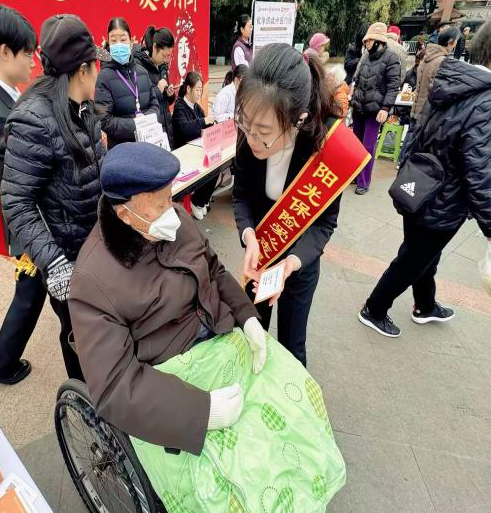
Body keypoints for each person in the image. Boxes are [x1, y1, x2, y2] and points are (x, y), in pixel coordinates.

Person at [68, 142, 346, 511]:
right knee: (239, 478)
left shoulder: (176, 223)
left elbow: (214, 271)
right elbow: (115, 387)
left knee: (299, 400)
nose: (172, 210)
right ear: (124, 213)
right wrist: (202, 411)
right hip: (170, 381)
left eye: (171, 197)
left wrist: (248, 319)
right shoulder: (92, 281)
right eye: (160, 203)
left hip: (221, 336)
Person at [359, 21, 491, 337]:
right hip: (444, 197)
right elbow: (481, 171)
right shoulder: (485, 99)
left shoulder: (453, 79)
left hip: (419, 182)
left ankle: (425, 304)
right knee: (413, 258)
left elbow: (419, 129)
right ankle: (374, 309)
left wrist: (405, 167)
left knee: (423, 254)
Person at [1, 14, 107, 379]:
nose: (99, 72)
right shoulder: (34, 120)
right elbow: (16, 203)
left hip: (95, 244)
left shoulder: (81, 106)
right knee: (77, 336)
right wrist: (55, 263)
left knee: (103, 330)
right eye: (96, 65)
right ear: (83, 70)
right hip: (67, 256)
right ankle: (83, 399)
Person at [233, 44, 343, 367]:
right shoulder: (251, 128)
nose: (252, 139)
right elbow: (241, 197)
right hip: (262, 254)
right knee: (252, 335)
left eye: (264, 133)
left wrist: (291, 264)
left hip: (299, 261)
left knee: (292, 347)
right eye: (246, 126)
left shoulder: (326, 145)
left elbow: (324, 223)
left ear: (298, 120)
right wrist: (249, 236)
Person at [0, 4, 42, 386]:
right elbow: (20, 176)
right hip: (25, 221)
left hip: (28, 218)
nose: (33, 61)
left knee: (31, 294)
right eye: (27, 53)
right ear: (4, 52)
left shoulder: (2, 95)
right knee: (30, 293)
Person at [351, 22, 400, 195]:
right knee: (356, 145)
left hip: (375, 111)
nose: (366, 44)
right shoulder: (365, 57)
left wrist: (385, 108)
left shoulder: (391, 58)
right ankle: (355, 175)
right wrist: (353, 98)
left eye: (369, 41)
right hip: (359, 108)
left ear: (379, 41)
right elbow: (357, 80)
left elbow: (393, 86)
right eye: (366, 41)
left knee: (368, 146)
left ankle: (363, 182)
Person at [95, 17, 159, 149]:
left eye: (123, 39)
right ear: (108, 44)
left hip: (149, 144)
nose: (118, 44)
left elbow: (154, 105)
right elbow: (104, 120)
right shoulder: (104, 76)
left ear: (131, 42)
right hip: (122, 150)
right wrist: (136, 125)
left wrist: (146, 121)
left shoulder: (142, 72)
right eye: (113, 40)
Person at [172, 71, 216, 220]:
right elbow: (185, 129)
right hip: (184, 153)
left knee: (216, 164)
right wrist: (203, 121)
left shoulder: (197, 107)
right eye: (197, 89)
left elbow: (206, 127)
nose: (199, 93)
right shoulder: (179, 106)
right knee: (210, 167)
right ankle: (197, 201)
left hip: (197, 150)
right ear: (188, 89)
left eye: (201, 90)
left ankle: (201, 200)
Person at [132, 26, 176, 147]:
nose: (167, 59)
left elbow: (165, 100)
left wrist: (169, 94)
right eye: (165, 55)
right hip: (151, 132)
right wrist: (158, 90)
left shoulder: (162, 66)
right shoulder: (139, 67)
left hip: (166, 129)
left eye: (169, 55)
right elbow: (140, 102)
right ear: (155, 47)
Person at [412, 27, 459, 122]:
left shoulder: (427, 56)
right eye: (456, 41)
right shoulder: (444, 62)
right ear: (451, 42)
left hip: (417, 109)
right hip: (429, 115)